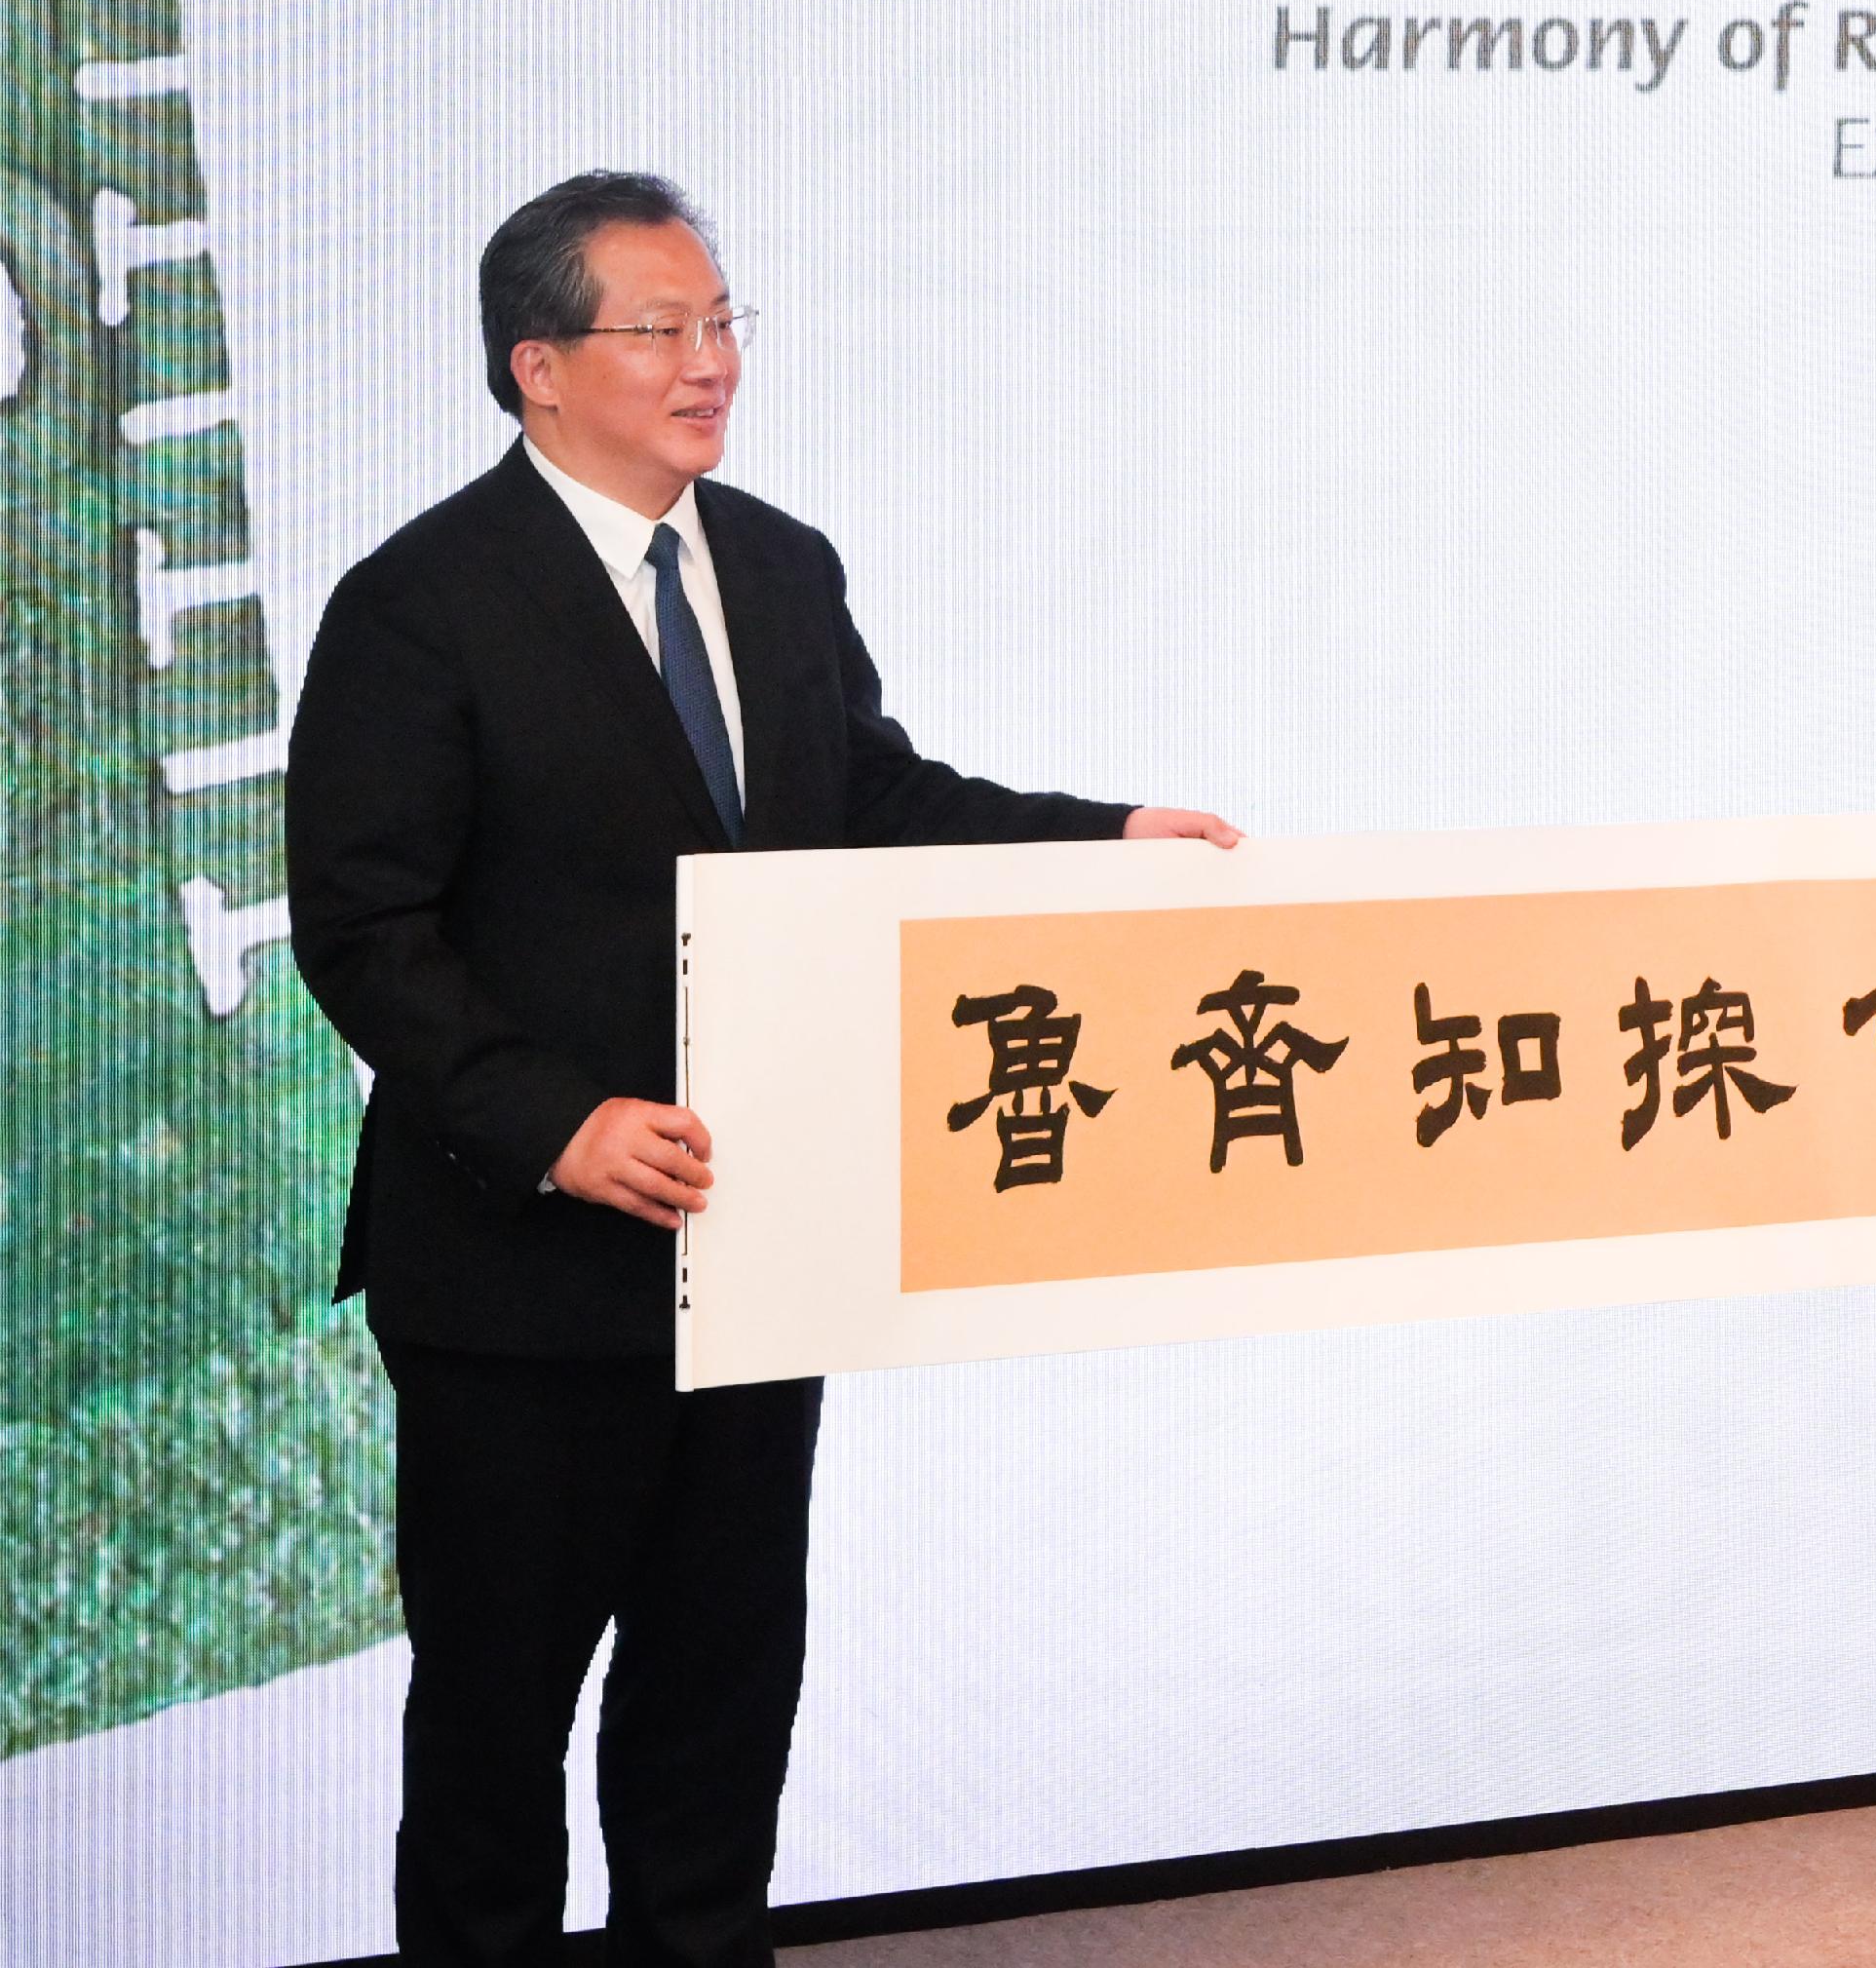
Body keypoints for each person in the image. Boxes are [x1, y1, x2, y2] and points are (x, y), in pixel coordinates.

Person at [287, 173, 1242, 1967]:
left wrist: (1098, 839)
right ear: (538, 368)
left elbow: (868, 801)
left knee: (723, 1700)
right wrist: (550, 1124)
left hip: (752, 1251)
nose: (708, 362)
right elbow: (362, 927)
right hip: (520, 1273)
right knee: (498, 1728)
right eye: (659, 329)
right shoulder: (419, 603)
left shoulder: (784, 568)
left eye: (723, 323)